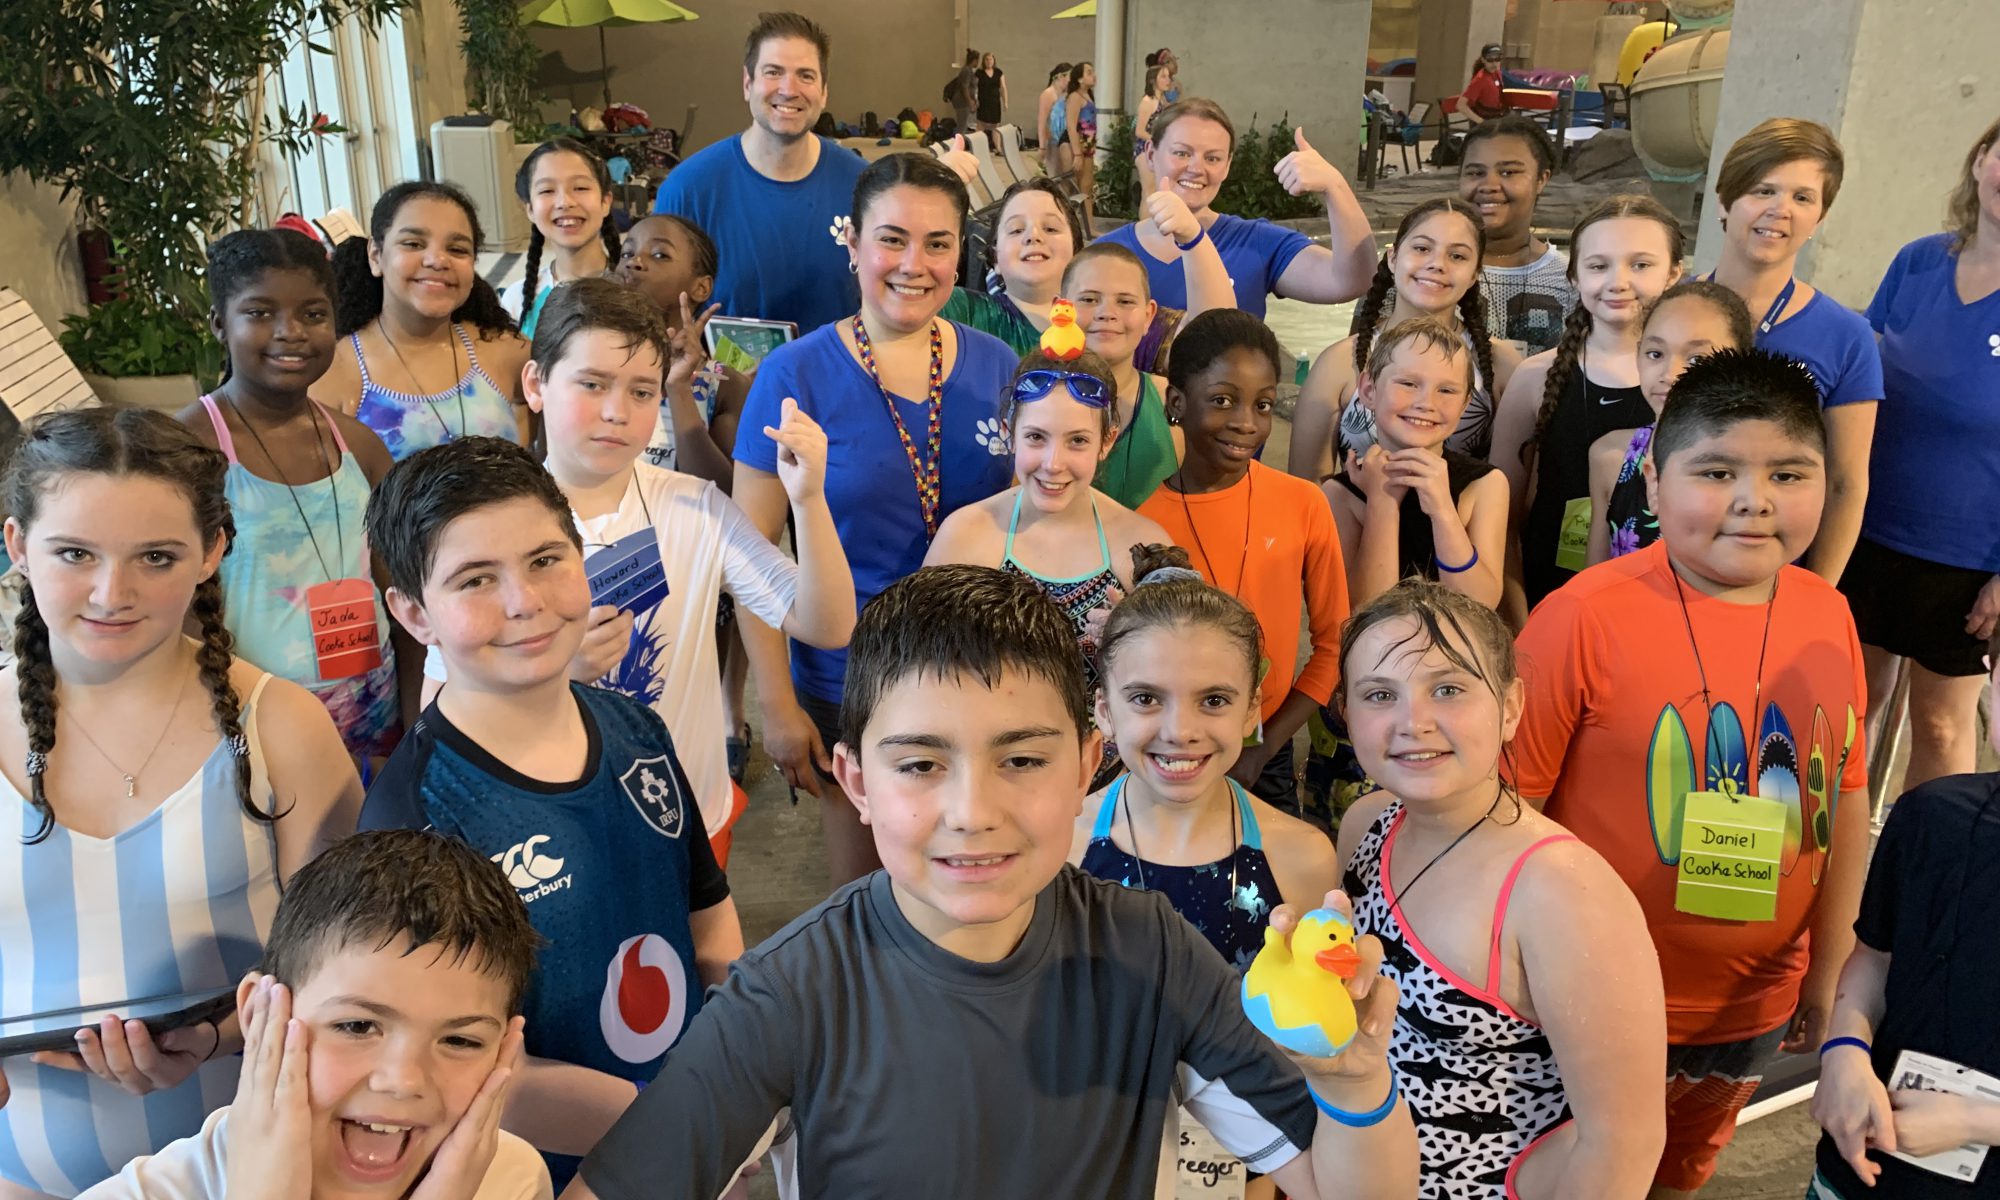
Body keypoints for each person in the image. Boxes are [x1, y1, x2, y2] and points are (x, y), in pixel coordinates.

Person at [562, 564, 1420, 1200]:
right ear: (856, 782)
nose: (973, 812)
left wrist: (1353, 1088)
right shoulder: (790, 994)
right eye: (922, 763)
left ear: (1089, 762)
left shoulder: (1150, 950)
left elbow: (1346, 1188)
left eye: (1021, 758)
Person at [1511, 349, 1872, 1197]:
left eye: (1790, 472)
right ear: (1656, 480)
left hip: (1751, 1005)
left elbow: (1844, 798)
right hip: (1585, 1002)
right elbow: (1506, 813)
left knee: (1678, 1177)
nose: (1754, 500)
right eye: (1716, 471)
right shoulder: (1581, 619)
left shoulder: (1830, 614)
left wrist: (1831, 969)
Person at [358, 436, 745, 1188]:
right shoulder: (416, 816)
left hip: (692, 1139)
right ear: (413, 613)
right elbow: (447, 1063)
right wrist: (663, 1120)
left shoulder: (637, 730)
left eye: (545, 560)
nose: (523, 602)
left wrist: (745, 1058)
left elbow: (708, 917)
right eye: (475, 579)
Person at [0, 408, 361, 1194]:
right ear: (17, 546)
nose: (111, 592)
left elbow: (353, 974)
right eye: (74, 554)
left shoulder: (283, 731)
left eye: (155, 557)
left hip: (250, 1173)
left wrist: (219, 1035)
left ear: (212, 552)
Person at [417, 277, 855, 865]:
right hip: (549, 840)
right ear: (536, 383)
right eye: (592, 384)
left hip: (689, 819)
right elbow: (436, 712)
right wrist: (552, 673)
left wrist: (809, 499)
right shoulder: (484, 528)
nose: (616, 412)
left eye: (642, 391)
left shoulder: (696, 507)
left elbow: (825, 625)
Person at [731, 152, 1016, 887]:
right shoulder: (792, 375)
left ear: (962, 255)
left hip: (974, 668)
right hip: (844, 678)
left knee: (965, 874)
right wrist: (776, 704)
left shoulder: (997, 366)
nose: (913, 264)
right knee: (868, 890)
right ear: (852, 244)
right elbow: (749, 554)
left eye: (938, 243)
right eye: (891, 239)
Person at [1336, 579, 1666, 1198]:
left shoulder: (1560, 892)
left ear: (1510, 708)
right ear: (1348, 714)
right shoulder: (1366, 826)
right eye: (1380, 694)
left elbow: (1623, 1142)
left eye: (1449, 689)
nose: (1414, 721)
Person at [82, 829, 549, 1200]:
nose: (403, 1081)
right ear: (258, 1013)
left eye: (460, 1041)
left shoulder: (512, 1180)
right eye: (357, 1026)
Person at [181, 228, 411, 768]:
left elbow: (405, 599)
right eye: (260, 313)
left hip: (374, 719)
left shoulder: (360, 447)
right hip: (250, 724)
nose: (290, 333)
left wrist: (416, 721)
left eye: (312, 314)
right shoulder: (187, 449)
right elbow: (173, 615)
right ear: (219, 322)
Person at [1075, 551, 1341, 970]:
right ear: (1105, 712)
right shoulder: (1060, 850)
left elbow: (1304, 1022)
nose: (1180, 732)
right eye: (1146, 699)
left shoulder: (1303, 858)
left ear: (1252, 710)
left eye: (1213, 700)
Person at [1838, 114, 2000, 795]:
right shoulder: (1918, 261)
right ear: (1980, 159)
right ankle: (1828, 871)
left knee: (1939, 726)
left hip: (1968, 557)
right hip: (1870, 530)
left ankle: (1926, 869)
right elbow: (1861, 380)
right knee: (1851, 708)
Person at [923, 348, 1171, 787]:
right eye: (1036, 437)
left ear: (1106, 441)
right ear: (1009, 434)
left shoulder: (1142, 548)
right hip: (993, 779)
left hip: (1110, 785)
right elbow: (922, 672)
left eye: (1077, 440)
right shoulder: (965, 537)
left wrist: (1137, 645)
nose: (1053, 464)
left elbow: (1181, 679)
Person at [1808, 641, 2000, 1200]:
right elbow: (1876, 956)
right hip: (1866, 1163)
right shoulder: (1931, 814)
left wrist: (1976, 1122)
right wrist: (1845, 1049)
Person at [1138, 310, 1349, 808]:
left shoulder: (1303, 503)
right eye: (1222, 401)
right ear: (1177, 403)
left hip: (1265, 757)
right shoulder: (1142, 528)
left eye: (1264, 405)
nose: (1246, 423)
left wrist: (1265, 746)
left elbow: (1334, 644)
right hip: (1172, 755)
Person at [1489, 195, 1685, 620]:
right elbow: (1500, 521)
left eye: (1641, 265)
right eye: (1599, 265)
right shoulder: (1534, 378)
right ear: (1574, 276)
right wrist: (1519, 620)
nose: (1618, 281)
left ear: (1674, 273)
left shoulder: (1691, 386)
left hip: (1659, 602)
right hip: (1548, 591)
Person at [1706, 117, 1881, 585]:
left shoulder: (1847, 336)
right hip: (1661, 554)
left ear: (1819, 218)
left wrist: (1819, 594)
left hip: (1775, 573)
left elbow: (1846, 484)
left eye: (1802, 198)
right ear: (1724, 200)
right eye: (1763, 190)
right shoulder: (1668, 313)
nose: (1780, 210)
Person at [648, 12, 863, 333]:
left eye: (805, 75)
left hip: (844, 380)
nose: (789, 89)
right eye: (773, 72)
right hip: (727, 383)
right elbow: (660, 317)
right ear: (748, 84)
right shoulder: (688, 190)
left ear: (824, 92)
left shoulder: (865, 186)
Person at [1288, 197, 1519, 478]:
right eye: (1422, 248)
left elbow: (1510, 492)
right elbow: (1307, 487)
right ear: (1393, 257)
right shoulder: (1339, 363)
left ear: (1474, 275)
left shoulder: (1501, 365)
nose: (1437, 264)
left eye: (1457, 256)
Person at [1102, 98, 1377, 322]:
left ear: (1228, 165)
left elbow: (1352, 281)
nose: (1197, 168)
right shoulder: (1108, 253)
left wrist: (1335, 187)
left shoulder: (1255, 242)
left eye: (1213, 158)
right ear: (1151, 154)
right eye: (1182, 153)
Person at [941, 177, 1229, 382]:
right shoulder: (967, 312)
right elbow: (904, 298)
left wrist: (1193, 238)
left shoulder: (1113, 320)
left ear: (1077, 252)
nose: (1033, 236)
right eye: (1016, 230)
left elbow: (1214, 341)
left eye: (1051, 228)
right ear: (995, 258)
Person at [320, 181, 532, 458]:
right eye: (413, 244)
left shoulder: (507, 353)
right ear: (375, 255)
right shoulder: (335, 371)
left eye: (457, 249)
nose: (437, 260)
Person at [1326, 316, 1507, 611]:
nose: (1427, 402)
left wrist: (1442, 510)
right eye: (1409, 384)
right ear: (1369, 391)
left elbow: (1479, 605)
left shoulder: (1485, 485)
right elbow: (1360, 612)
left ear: (1464, 406)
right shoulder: (1340, 494)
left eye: (1446, 390)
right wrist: (1382, 505)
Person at [1586, 281, 1755, 565]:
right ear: (1638, 354)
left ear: (1741, 361)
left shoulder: (1758, 467)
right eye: (1656, 354)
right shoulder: (1610, 457)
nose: (1670, 373)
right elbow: (1592, 576)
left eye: (1696, 358)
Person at [1065, 240, 1216, 507]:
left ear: (1148, 317)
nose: (1107, 313)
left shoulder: (1172, 403)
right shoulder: (1034, 401)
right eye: (1089, 299)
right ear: (1060, 310)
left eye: (1124, 301)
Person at [615, 213, 748, 489]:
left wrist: (678, 389)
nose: (634, 261)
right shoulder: (597, 365)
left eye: (660, 255)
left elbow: (727, 495)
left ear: (700, 287)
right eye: (627, 252)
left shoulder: (722, 386)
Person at [1458, 117, 1577, 355]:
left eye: (1508, 172)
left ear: (1541, 179)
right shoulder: (1425, 270)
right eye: (1475, 172)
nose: (1489, 185)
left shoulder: (1569, 280)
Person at [505, 138, 621, 338]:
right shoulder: (517, 301)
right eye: (547, 190)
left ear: (605, 201)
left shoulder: (638, 290)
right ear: (530, 209)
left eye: (580, 188)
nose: (564, 202)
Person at [1133, 62, 1174, 195]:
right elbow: (1139, 131)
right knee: (1149, 191)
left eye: (1168, 76)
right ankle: (1145, 217)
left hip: (1157, 148)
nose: (1168, 80)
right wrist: (1157, 141)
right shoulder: (1148, 102)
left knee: (1157, 191)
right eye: (1163, 76)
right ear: (1152, 80)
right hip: (1145, 149)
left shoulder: (1162, 101)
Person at [1456, 44, 1507, 122]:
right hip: (1486, 121)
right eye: (1490, 60)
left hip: (1497, 116)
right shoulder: (1480, 79)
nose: (1494, 64)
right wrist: (1481, 122)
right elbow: (1461, 105)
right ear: (1483, 60)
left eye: (1497, 59)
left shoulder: (1497, 73)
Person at [1036, 62, 1071, 155]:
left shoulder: (1066, 94)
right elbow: (1041, 121)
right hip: (1052, 141)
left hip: (1064, 140)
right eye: (1070, 78)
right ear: (1060, 76)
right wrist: (1042, 147)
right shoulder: (1048, 94)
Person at [974, 52, 1006, 146]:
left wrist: (1005, 102)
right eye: (987, 59)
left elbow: (1003, 88)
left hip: (995, 103)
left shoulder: (998, 72)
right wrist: (974, 100)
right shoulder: (979, 73)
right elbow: (973, 87)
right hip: (983, 102)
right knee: (980, 125)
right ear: (984, 61)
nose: (989, 61)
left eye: (991, 59)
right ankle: (977, 146)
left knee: (996, 126)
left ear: (994, 60)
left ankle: (998, 148)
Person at [950, 49, 979, 140]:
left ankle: (960, 143)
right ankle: (958, 145)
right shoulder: (966, 70)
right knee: (961, 125)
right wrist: (970, 102)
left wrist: (974, 100)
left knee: (964, 125)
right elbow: (964, 88)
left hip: (965, 101)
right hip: (961, 102)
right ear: (974, 60)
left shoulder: (969, 70)